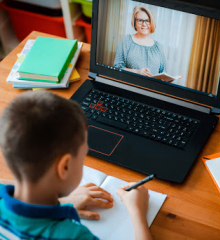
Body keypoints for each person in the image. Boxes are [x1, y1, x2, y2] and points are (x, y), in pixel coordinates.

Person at [0, 91, 152, 240]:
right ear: (64, 167)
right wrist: (137, 211)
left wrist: (62, 203)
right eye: (83, 156)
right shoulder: (72, 235)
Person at [113, 5, 166, 77]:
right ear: (135, 23)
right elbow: (117, 68)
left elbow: (163, 73)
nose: (144, 24)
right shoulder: (126, 41)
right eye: (140, 20)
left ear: (151, 23)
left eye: (147, 21)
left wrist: (167, 79)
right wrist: (137, 72)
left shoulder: (158, 46)